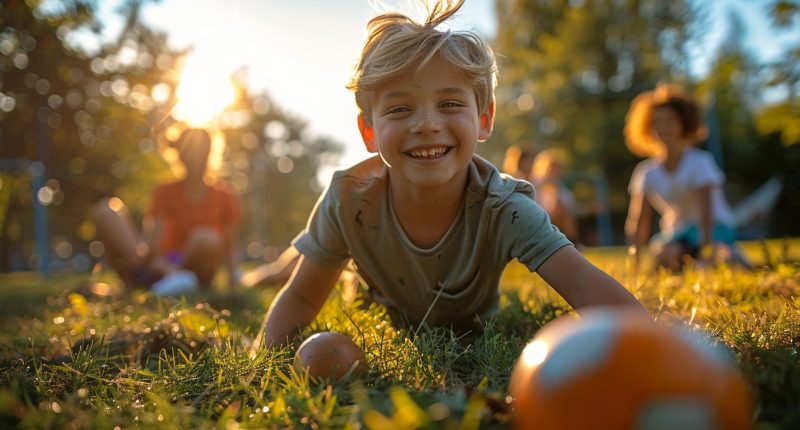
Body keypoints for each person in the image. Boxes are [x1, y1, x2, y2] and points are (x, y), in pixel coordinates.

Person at [258, 0, 646, 348]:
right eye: (399, 109)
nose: (427, 124)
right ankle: (315, 279)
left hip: (473, 321)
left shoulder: (505, 207)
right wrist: (260, 358)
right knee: (320, 288)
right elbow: (304, 297)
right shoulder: (347, 199)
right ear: (369, 132)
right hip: (374, 303)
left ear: (484, 119)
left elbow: (582, 283)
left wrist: (658, 349)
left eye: (449, 103)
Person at [91, 128, 243, 295]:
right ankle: (144, 284)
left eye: (200, 151)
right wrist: (161, 265)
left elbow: (230, 245)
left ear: (210, 153)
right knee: (105, 211)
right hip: (162, 264)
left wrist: (234, 280)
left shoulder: (224, 195)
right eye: (189, 152)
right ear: (179, 155)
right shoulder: (165, 191)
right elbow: (154, 241)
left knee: (206, 238)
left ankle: (180, 282)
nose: (194, 158)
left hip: (197, 269)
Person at [623, 83, 748, 271]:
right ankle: (697, 260)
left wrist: (706, 252)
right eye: (657, 121)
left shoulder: (700, 162)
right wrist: (635, 260)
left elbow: (708, 210)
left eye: (670, 120)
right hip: (677, 232)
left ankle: (726, 255)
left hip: (715, 228)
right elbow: (637, 221)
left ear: (683, 124)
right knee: (662, 255)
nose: (663, 127)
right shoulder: (646, 172)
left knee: (715, 258)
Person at [529, 148, 579, 242]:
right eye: (551, 169)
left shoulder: (561, 188)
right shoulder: (532, 186)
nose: (555, 173)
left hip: (555, 222)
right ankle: (572, 242)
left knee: (562, 207)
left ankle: (572, 242)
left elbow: (571, 208)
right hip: (538, 222)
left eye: (557, 169)